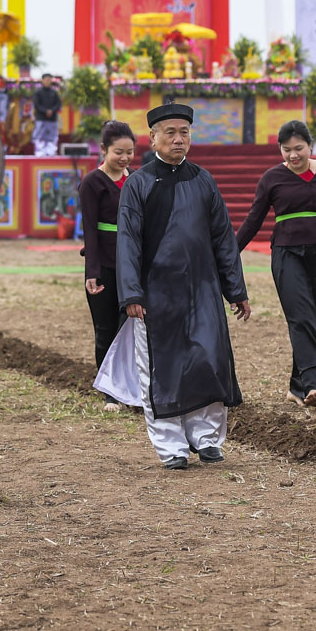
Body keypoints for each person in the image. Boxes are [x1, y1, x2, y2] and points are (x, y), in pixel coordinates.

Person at [115, 103, 250, 470]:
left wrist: (235, 289)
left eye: (184, 132)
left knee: (209, 361)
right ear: (153, 137)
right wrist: (131, 293)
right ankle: (172, 446)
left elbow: (223, 237)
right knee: (162, 369)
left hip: (203, 289)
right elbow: (128, 241)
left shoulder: (203, 179)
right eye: (170, 132)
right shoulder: (138, 184)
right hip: (156, 294)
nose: (178, 139)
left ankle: (207, 439)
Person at [236, 120, 316, 407]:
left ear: (310, 146)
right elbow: (253, 220)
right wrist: (230, 251)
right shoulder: (271, 178)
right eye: (286, 150)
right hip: (286, 254)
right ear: (280, 150)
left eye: (299, 148)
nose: (293, 155)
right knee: (301, 316)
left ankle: (303, 386)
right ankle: (311, 385)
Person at [80, 121, 136, 411]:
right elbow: (89, 228)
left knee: (132, 328)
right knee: (106, 329)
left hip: (134, 264)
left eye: (129, 152)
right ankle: (110, 393)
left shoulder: (137, 179)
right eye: (118, 152)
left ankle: (131, 387)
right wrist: (92, 271)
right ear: (103, 150)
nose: (124, 158)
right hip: (104, 263)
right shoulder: (92, 182)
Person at [31, 74, 63, 157]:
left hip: (52, 119)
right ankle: (40, 153)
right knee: (40, 137)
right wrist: (45, 111)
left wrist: (52, 110)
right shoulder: (38, 92)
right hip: (41, 119)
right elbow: (36, 105)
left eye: (49, 80)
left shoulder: (54, 93)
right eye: (46, 80)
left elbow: (58, 104)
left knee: (52, 137)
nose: (48, 81)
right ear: (42, 80)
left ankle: (51, 153)